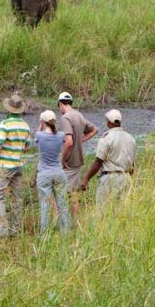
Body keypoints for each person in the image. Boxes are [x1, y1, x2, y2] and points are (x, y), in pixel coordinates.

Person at [0, 94, 32, 237]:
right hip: (18, 165)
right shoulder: (25, 126)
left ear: (9, 109)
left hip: (4, 165)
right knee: (17, 198)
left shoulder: (5, 124)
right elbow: (27, 147)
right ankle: (15, 229)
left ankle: (2, 229)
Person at [80, 109, 137, 209]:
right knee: (122, 211)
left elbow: (98, 162)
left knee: (103, 211)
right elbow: (132, 164)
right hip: (126, 178)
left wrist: (86, 178)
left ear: (109, 122)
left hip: (109, 179)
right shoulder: (131, 138)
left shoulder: (106, 138)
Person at [57, 92, 97, 222]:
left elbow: (69, 142)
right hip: (79, 160)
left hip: (69, 162)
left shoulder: (66, 118)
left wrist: (62, 160)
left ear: (60, 104)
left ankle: (63, 223)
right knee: (74, 193)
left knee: (61, 194)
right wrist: (81, 140)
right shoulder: (79, 115)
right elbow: (94, 130)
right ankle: (75, 221)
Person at [34, 110, 71, 234]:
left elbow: (36, 137)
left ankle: (44, 234)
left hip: (44, 173)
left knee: (45, 206)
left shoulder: (39, 135)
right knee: (62, 204)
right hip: (59, 172)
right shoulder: (61, 135)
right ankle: (65, 232)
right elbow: (67, 143)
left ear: (43, 121)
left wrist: (40, 125)